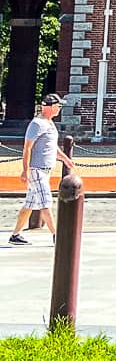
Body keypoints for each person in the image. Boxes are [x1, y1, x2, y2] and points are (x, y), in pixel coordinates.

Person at [10, 92, 70, 246]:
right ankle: (57, 235)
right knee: (45, 202)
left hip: (44, 169)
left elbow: (51, 146)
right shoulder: (38, 123)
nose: (59, 108)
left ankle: (15, 234)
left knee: (30, 203)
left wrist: (64, 159)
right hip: (37, 169)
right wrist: (26, 170)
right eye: (58, 106)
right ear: (50, 107)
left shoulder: (49, 123)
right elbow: (27, 148)